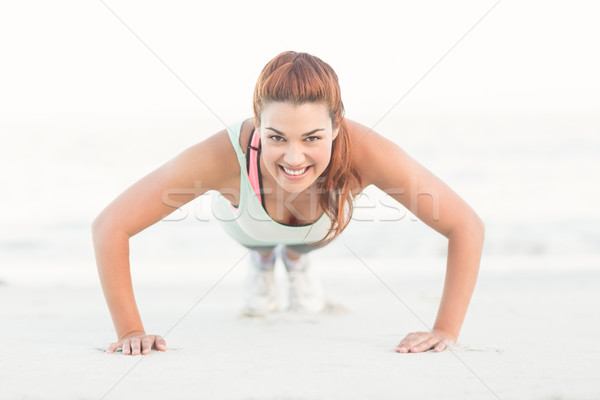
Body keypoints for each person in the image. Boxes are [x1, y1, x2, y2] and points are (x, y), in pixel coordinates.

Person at [92, 51, 485, 356]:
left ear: (336, 126)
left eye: (312, 138)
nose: (294, 158)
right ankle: (264, 259)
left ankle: (294, 259)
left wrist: (445, 330)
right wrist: (131, 331)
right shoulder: (221, 155)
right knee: (261, 241)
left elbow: (465, 225)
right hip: (245, 223)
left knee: (301, 242)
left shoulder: (366, 150)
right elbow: (110, 225)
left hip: (318, 229)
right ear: (257, 123)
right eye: (277, 137)